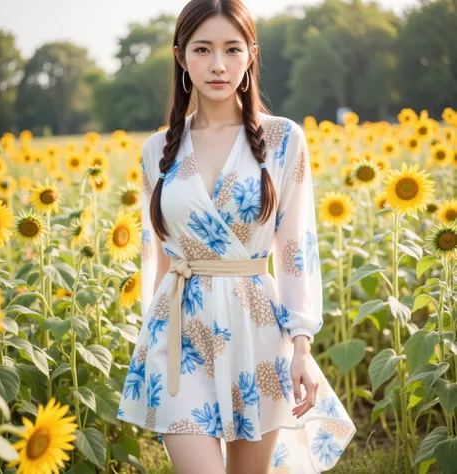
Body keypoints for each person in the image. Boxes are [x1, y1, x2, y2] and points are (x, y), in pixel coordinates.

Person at [117, 1, 356, 472]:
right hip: (179, 335)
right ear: (181, 57)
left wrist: (302, 346)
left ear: (251, 55)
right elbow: (160, 256)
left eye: (232, 48)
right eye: (202, 49)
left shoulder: (284, 139)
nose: (218, 64)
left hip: (257, 332)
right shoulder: (156, 152)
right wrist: (151, 335)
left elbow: (295, 251)